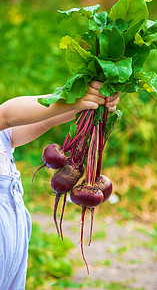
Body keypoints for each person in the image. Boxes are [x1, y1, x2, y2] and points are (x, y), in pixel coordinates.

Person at [0, 81, 120, 290]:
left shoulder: (4, 135)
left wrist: (87, 101)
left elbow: (45, 119)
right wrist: (71, 100)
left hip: (13, 242)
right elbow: (8, 115)